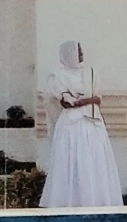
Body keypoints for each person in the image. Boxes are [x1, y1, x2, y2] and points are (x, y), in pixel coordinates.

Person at [40, 39, 122, 209]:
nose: (82, 54)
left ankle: (95, 201)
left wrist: (80, 101)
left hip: (92, 124)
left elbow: (97, 98)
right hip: (71, 126)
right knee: (71, 160)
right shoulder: (57, 77)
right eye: (78, 51)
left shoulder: (91, 73)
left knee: (93, 159)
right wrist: (86, 100)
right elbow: (66, 103)